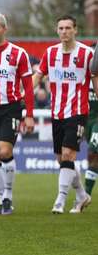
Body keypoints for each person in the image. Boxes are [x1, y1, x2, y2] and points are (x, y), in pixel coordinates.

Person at [32, 15, 93, 213]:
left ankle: (60, 199)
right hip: (57, 112)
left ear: (76, 30)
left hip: (78, 112)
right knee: (62, 159)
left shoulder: (86, 54)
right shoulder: (50, 53)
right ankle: (83, 195)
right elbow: (38, 75)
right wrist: (22, 93)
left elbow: (95, 80)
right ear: (57, 30)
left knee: (68, 154)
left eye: (68, 28)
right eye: (61, 28)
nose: (64, 31)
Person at [0, 11, 34, 216]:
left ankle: (9, 196)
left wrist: (29, 114)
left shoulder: (18, 53)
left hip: (10, 108)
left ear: (4, 29)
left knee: (4, 151)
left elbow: (28, 86)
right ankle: (1, 200)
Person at [88, 42, 98, 196]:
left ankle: (85, 195)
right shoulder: (84, 74)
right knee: (91, 156)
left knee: (93, 152)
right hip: (86, 119)